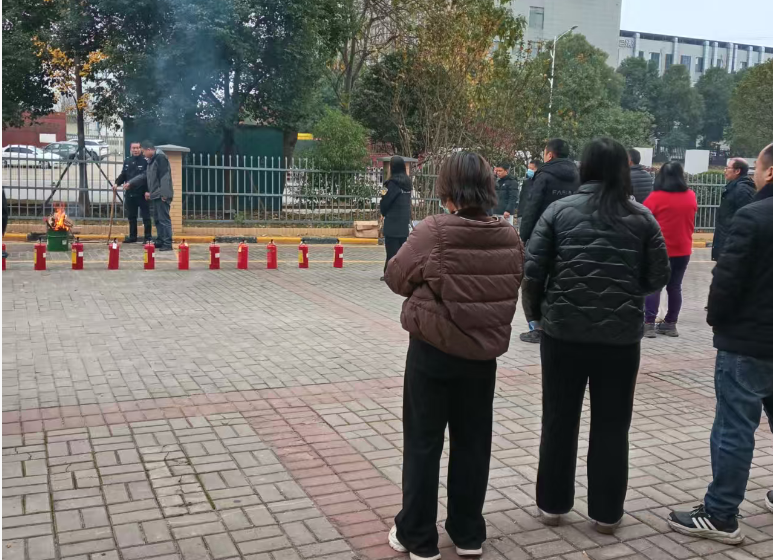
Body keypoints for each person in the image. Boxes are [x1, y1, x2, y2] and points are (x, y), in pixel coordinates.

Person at [522, 138, 670, 534]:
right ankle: (606, 512)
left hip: (563, 335)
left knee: (558, 419)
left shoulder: (558, 212)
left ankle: (552, 504)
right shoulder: (642, 217)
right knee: (612, 424)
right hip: (620, 341)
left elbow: (533, 272)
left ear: (584, 168)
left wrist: (537, 316)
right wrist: (626, 292)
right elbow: (658, 275)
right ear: (623, 170)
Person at [384, 152, 524, 560]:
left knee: (423, 443)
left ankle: (418, 536)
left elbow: (396, 276)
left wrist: (427, 288)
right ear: (488, 187)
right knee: (473, 444)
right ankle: (467, 533)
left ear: (447, 189)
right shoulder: (509, 236)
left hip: (433, 353)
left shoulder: (434, 231)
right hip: (482, 358)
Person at [668, 143, 773, 545]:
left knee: (734, 429)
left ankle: (720, 513)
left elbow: (727, 280)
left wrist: (716, 320)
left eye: (758, 168)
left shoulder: (754, 217)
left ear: (770, 172)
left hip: (748, 342)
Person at [518, 139, 580, 343]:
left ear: (550, 155)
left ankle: (536, 327)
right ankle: (560, 324)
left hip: (541, 237)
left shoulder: (543, 175)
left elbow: (532, 207)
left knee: (531, 282)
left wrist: (524, 237)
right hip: (571, 237)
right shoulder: (579, 176)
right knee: (561, 281)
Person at [643, 161, 698, 338]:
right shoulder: (691, 196)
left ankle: (649, 324)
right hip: (683, 249)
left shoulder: (655, 197)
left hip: (659, 249)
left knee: (654, 286)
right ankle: (670, 323)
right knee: (674, 286)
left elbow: (644, 222)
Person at [128, 140, 173, 251]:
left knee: (164, 219)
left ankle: (167, 243)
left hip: (162, 195)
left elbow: (165, 177)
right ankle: (160, 240)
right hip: (155, 195)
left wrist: (164, 194)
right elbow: (145, 176)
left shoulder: (160, 158)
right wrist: (131, 182)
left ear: (149, 150)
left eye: (143, 152)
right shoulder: (151, 160)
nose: (143, 154)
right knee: (157, 219)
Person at [712, 158, 755, 261]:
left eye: (727, 168)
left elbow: (746, 221)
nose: (725, 170)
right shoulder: (733, 188)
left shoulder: (742, 190)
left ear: (737, 171)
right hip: (727, 243)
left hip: (732, 247)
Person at [379, 156, 412, 280]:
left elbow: (384, 202)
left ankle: (390, 274)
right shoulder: (408, 183)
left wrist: (383, 211)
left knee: (391, 252)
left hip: (392, 223)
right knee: (401, 251)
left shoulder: (390, 184)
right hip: (403, 223)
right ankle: (399, 273)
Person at [114, 141, 151, 243]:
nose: (135, 150)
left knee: (146, 217)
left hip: (142, 193)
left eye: (137, 148)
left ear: (140, 149)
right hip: (130, 193)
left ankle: (148, 237)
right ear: (130, 149)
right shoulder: (127, 160)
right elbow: (123, 174)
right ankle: (132, 236)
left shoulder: (145, 161)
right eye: (133, 148)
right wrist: (117, 183)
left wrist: (148, 191)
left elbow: (148, 177)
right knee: (131, 216)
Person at [516, 160, 540, 227]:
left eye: (532, 169)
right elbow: (522, 198)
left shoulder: (541, 182)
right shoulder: (526, 183)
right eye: (528, 168)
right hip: (523, 214)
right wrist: (519, 213)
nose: (529, 170)